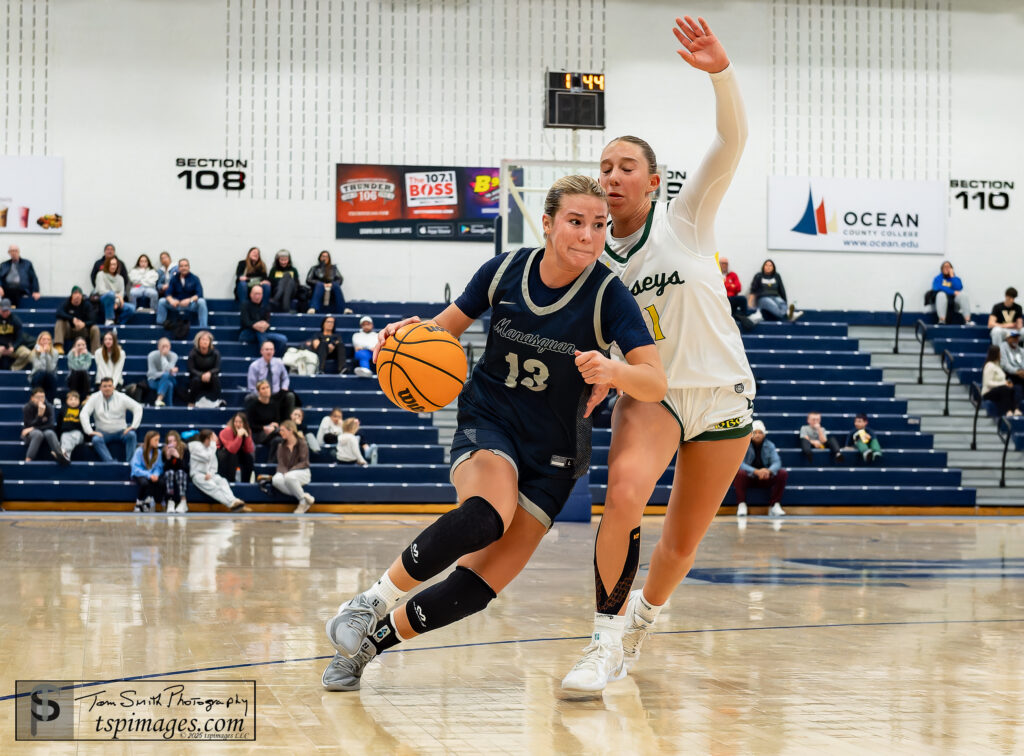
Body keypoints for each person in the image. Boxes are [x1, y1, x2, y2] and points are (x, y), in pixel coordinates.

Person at [320, 174, 663, 692]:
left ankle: (369, 644)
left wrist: (616, 372)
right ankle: (369, 600)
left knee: (475, 588)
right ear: (547, 224)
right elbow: (443, 332)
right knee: (486, 516)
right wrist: (404, 337)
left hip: (556, 454)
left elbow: (655, 382)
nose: (589, 236)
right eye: (576, 222)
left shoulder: (608, 296)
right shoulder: (504, 270)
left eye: (599, 225)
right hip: (491, 420)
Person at [559, 17, 758, 693]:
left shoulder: (686, 219)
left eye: (626, 167)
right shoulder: (588, 262)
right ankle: (600, 640)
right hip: (656, 392)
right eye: (605, 168)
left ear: (653, 181)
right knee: (622, 495)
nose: (612, 176)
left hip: (724, 394)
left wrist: (720, 74)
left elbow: (733, 140)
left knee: (680, 545)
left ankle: (641, 622)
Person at [80, 377, 143, 462]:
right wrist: (89, 431)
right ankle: (110, 462)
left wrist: (133, 426)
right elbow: (84, 413)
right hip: (102, 432)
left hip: (121, 431)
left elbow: (138, 407)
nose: (107, 388)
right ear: (100, 388)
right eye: (105, 386)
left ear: (113, 387)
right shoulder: (94, 397)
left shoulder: (121, 397)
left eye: (109, 386)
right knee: (96, 440)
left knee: (132, 435)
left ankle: (130, 463)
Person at [733, 420, 787, 518]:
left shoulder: (770, 445)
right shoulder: (744, 445)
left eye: (760, 432)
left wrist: (768, 471)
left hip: (765, 477)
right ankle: (741, 504)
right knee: (739, 473)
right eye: (755, 432)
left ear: (764, 434)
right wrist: (755, 471)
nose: (757, 435)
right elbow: (740, 463)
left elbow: (777, 462)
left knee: (782, 473)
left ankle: (775, 505)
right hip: (750, 477)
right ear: (751, 434)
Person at [189, 429, 247, 511]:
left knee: (222, 481)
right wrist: (213, 445)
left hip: (209, 475)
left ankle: (234, 500)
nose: (215, 439)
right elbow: (206, 457)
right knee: (213, 486)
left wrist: (210, 473)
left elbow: (213, 466)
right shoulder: (195, 447)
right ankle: (231, 504)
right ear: (206, 439)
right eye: (212, 437)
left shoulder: (210, 449)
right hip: (197, 475)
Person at [273, 420, 314, 513]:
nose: (280, 432)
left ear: (290, 430)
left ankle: (302, 503)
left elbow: (304, 462)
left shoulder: (302, 443)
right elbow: (281, 464)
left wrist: (290, 471)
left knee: (289, 477)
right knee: (276, 480)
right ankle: (304, 497)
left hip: (302, 471)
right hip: (286, 472)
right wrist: (284, 472)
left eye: (282, 430)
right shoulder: (281, 446)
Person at [247, 341, 297, 416]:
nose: (269, 352)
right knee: (249, 398)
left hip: (277, 395)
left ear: (274, 351)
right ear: (261, 351)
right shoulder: (254, 366)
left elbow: (285, 378)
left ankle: (287, 422)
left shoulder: (279, 363)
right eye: (267, 349)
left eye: (271, 349)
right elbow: (251, 386)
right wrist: (261, 395)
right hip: (261, 395)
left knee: (290, 396)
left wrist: (284, 388)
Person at [157, 258, 209, 329]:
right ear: (178, 268)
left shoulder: (195, 278)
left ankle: (203, 327)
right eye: (181, 266)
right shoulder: (174, 279)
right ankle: (160, 325)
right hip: (176, 305)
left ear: (189, 267)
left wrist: (189, 300)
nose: (183, 268)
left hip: (190, 305)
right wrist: (171, 300)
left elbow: (199, 294)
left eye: (185, 266)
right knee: (161, 301)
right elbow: (168, 293)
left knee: (201, 302)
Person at [21, 386, 68, 464]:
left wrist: (34, 427)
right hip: (31, 435)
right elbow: (28, 426)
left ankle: (59, 455)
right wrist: (39, 416)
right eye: (38, 397)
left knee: (50, 432)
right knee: (38, 434)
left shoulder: (49, 407)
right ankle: (28, 460)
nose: (40, 399)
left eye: (42, 397)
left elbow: (51, 425)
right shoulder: (27, 408)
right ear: (32, 398)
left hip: (45, 431)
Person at [239, 284, 288, 355]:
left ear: (262, 295)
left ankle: (275, 357)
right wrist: (256, 325)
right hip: (247, 333)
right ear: (251, 294)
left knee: (283, 339)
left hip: (262, 333)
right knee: (260, 332)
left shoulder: (265, 306)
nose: (257, 296)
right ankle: (266, 358)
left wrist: (264, 325)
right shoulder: (245, 305)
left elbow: (267, 322)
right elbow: (246, 321)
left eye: (259, 294)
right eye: (255, 294)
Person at [245, 379, 287, 455]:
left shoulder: (274, 404)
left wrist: (273, 426)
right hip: (258, 433)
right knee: (279, 433)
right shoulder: (253, 406)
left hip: (272, 432)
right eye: (263, 388)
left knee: (278, 440)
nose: (266, 390)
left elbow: (277, 421)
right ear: (259, 392)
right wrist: (264, 427)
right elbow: (251, 425)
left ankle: (271, 463)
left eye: (267, 387)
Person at [55, 286, 100, 353]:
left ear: (82, 296)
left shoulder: (87, 304)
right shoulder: (67, 303)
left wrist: (84, 324)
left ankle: (96, 352)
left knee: (95, 328)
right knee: (60, 321)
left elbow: (94, 320)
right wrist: (72, 319)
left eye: (79, 294)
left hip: (83, 330)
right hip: (70, 330)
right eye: (75, 294)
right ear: (72, 295)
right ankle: (58, 345)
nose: (77, 296)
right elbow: (58, 313)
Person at [720, 255, 761, 329]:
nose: (724, 265)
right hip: (721, 298)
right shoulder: (716, 274)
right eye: (722, 263)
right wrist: (731, 285)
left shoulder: (733, 275)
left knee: (742, 298)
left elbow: (738, 288)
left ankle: (742, 315)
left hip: (732, 298)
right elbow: (718, 288)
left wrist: (726, 284)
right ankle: (737, 316)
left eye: (726, 263)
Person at [94, 257, 137, 326]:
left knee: (131, 308)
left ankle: (118, 322)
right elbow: (101, 290)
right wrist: (116, 296)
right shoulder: (100, 274)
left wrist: (117, 302)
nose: (113, 266)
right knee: (110, 295)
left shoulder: (120, 278)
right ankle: (109, 319)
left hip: (116, 301)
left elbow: (122, 293)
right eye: (111, 264)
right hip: (103, 301)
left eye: (114, 264)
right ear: (107, 265)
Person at [983, 345, 1022, 417]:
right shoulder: (989, 365)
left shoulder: (998, 366)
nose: (1001, 355)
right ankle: (1007, 411)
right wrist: (1004, 383)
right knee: (1005, 389)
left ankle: (1015, 409)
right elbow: (988, 383)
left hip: (999, 390)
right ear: (996, 354)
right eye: (999, 353)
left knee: (1012, 389)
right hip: (988, 392)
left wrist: (1007, 383)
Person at [130, 431, 164, 512]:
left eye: (158, 440)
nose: (158, 443)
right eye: (156, 440)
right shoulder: (139, 451)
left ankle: (149, 501)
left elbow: (159, 467)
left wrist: (156, 474)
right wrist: (149, 475)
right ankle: (139, 502)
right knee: (144, 483)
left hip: (152, 474)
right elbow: (135, 468)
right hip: (140, 473)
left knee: (161, 482)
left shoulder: (158, 452)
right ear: (149, 440)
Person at [186, 331, 222, 405]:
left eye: (207, 340)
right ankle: (191, 402)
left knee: (215, 378)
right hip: (197, 377)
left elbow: (217, 368)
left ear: (210, 342)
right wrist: (201, 375)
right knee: (195, 380)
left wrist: (209, 373)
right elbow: (191, 369)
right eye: (203, 339)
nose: (205, 342)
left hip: (210, 377)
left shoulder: (216, 353)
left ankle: (217, 401)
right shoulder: (193, 353)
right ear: (198, 341)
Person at [305, 250, 346, 314]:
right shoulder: (314, 268)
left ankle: (343, 309)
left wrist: (331, 284)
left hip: (331, 290)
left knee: (336, 285)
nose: (325, 258)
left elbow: (340, 279)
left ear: (329, 258)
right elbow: (308, 280)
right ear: (320, 258)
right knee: (319, 285)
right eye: (323, 256)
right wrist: (322, 284)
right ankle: (313, 308)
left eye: (327, 257)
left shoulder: (333, 268)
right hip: (318, 289)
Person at [218, 413, 255, 482]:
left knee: (249, 457)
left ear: (245, 423)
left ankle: (246, 482)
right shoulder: (227, 431)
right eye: (236, 421)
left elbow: (249, 449)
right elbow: (232, 449)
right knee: (233, 456)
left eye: (240, 422)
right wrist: (239, 436)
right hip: (225, 454)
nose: (238, 424)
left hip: (238, 453)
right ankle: (231, 481)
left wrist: (247, 437)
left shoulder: (247, 430)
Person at [930, 260, 970, 325]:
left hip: (954, 302)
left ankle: (967, 320)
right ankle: (942, 320)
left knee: (963, 295)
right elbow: (937, 288)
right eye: (945, 267)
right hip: (941, 301)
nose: (947, 268)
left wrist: (952, 276)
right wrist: (952, 292)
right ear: (942, 269)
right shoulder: (938, 278)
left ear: (951, 269)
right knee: (941, 294)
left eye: (948, 267)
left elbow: (958, 287)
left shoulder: (955, 278)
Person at [268, 249, 307, 313]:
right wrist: (282, 283)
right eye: (281, 260)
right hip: (277, 290)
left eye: (285, 260)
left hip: (292, 291)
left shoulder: (293, 269)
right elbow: (271, 282)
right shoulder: (274, 270)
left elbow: (296, 283)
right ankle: (286, 308)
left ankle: (276, 298)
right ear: (278, 260)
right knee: (287, 278)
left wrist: (284, 281)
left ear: (289, 260)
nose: (283, 262)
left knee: (288, 276)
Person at [28, 331, 60, 404]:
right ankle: (37, 398)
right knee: (41, 373)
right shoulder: (33, 352)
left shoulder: (55, 352)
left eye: (48, 339)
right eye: (44, 339)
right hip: (37, 376)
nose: (46, 341)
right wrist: (42, 354)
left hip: (49, 376)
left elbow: (50, 368)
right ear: (39, 341)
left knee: (50, 375)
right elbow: (38, 368)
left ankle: (51, 400)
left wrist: (47, 354)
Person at [161, 429, 189, 513]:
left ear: (178, 441)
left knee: (180, 473)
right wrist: (168, 458)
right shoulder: (165, 451)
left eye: (174, 441)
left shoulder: (184, 449)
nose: (172, 443)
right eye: (170, 441)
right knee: (170, 473)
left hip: (182, 474)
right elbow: (165, 469)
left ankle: (183, 502)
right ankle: (170, 501)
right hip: (170, 474)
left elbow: (185, 468)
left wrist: (177, 457)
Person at [147, 337, 179, 407]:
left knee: (167, 376)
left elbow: (167, 370)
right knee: (168, 384)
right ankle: (170, 407)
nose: (165, 348)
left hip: (170, 378)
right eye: (163, 346)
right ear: (158, 347)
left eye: (167, 346)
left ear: (170, 347)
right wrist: (167, 372)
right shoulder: (151, 355)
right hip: (154, 380)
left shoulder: (174, 356)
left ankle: (159, 399)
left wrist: (163, 357)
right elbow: (151, 373)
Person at [0, 298, 30, 370]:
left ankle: (13, 370)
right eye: (3, 310)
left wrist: (13, 347)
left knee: (27, 353)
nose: (5, 312)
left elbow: (20, 337)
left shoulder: (15, 320)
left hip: (11, 347)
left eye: (7, 310)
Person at [57, 390, 85, 460]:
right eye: (71, 399)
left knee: (73, 436)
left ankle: (63, 452)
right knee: (64, 436)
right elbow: (59, 424)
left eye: (75, 399)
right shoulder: (63, 409)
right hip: (66, 433)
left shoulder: (82, 409)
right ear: (66, 401)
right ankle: (66, 458)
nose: (73, 401)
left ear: (79, 401)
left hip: (78, 433)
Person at [999, 331, 1024, 404]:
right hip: (1009, 375)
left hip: (1021, 374)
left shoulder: (1021, 350)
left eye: (1017, 338)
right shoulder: (1002, 347)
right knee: (1018, 388)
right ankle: (1016, 410)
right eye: (1013, 337)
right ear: (1007, 338)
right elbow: (1004, 365)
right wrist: (1017, 372)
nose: (1015, 339)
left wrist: (1022, 372)